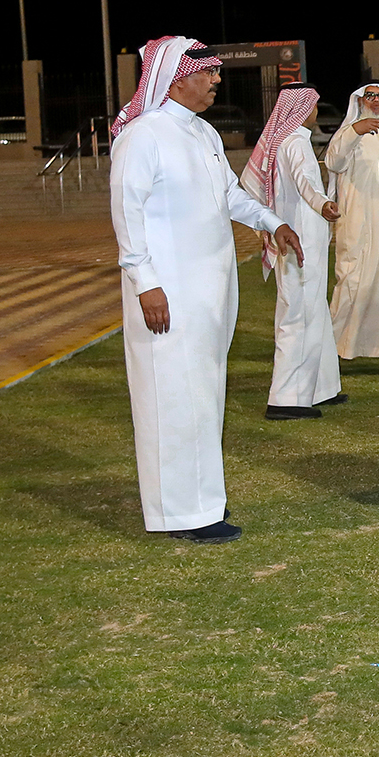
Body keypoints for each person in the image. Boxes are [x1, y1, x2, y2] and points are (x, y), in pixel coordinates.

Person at [110, 35, 304, 545]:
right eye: (207, 72)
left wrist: (273, 222)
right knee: (171, 400)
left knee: (203, 397)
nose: (217, 79)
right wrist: (146, 284)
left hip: (211, 292)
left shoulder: (203, 133)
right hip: (166, 294)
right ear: (176, 80)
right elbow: (126, 217)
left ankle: (201, 503)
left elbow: (229, 196)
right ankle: (180, 513)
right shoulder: (143, 137)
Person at [244, 83, 344, 420]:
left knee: (314, 309)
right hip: (300, 241)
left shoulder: (284, 140)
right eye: (313, 105)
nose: (315, 111)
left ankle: (321, 387)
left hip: (298, 238)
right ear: (303, 109)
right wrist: (324, 203)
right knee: (299, 314)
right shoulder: (296, 142)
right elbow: (306, 182)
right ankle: (287, 399)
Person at [325, 83, 379, 360]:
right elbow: (334, 162)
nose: (376, 100)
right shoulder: (347, 133)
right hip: (357, 220)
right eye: (370, 96)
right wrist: (356, 130)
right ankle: (330, 350)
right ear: (360, 101)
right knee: (352, 282)